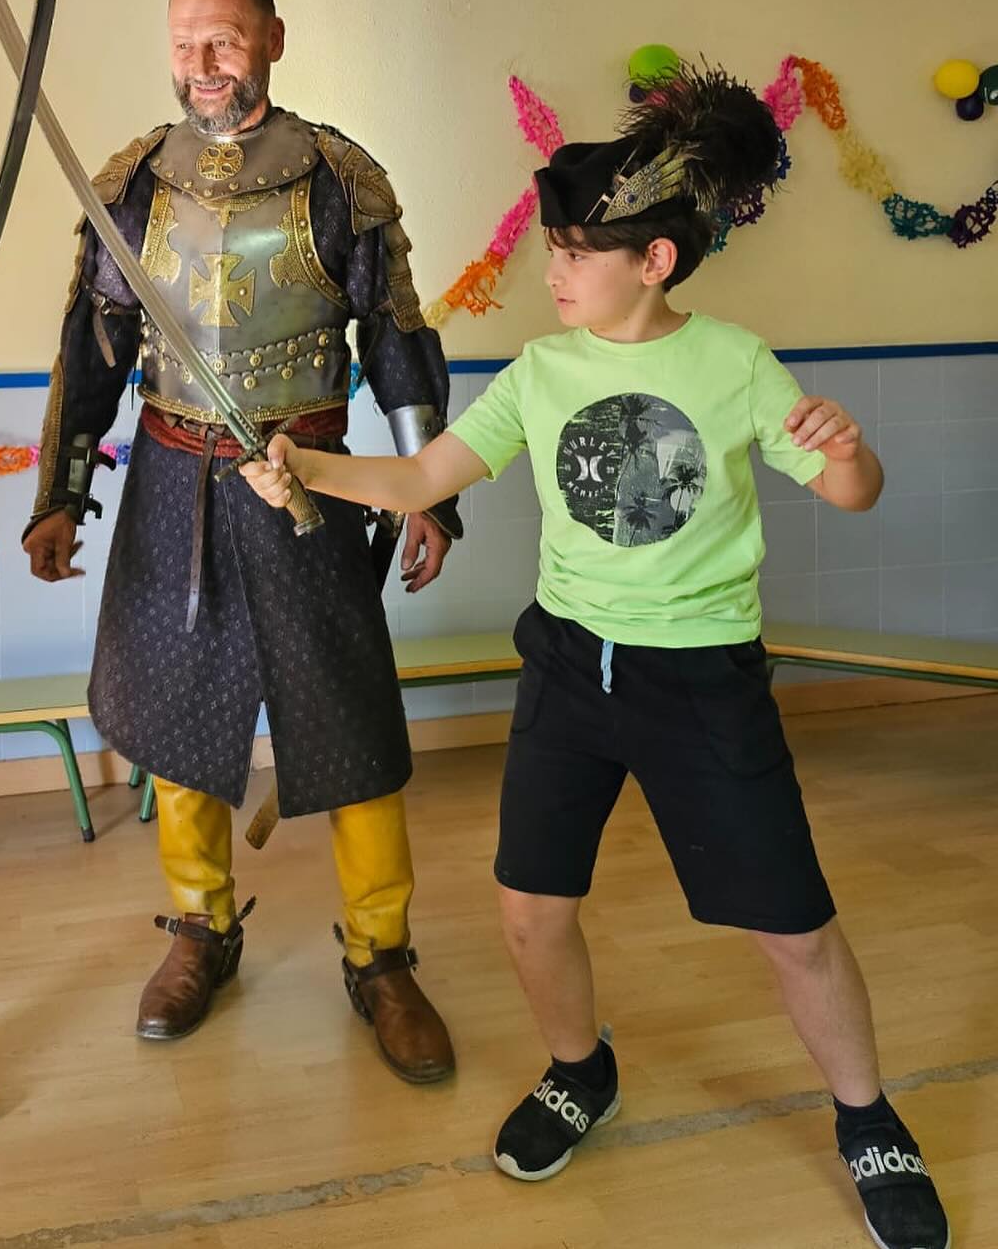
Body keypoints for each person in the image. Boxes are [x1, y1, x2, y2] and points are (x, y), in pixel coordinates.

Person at [240, 69, 949, 1249]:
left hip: (704, 681)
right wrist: (306, 467)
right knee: (530, 911)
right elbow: (419, 478)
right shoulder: (541, 371)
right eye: (553, 250)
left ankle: (868, 1117)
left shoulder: (735, 362)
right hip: (570, 670)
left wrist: (847, 447)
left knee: (795, 927)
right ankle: (581, 1068)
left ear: (655, 260)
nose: (554, 272)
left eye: (576, 253)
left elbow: (850, 492)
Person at [24, 0, 460, 1081]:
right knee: (181, 722)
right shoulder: (132, 183)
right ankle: (199, 930)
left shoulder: (340, 179)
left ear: (272, 37)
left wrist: (429, 488)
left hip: (311, 479)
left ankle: (382, 954)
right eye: (184, 43)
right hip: (173, 482)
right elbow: (92, 349)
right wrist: (60, 496)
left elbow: (397, 339)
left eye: (222, 39)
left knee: (350, 723)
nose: (202, 64)